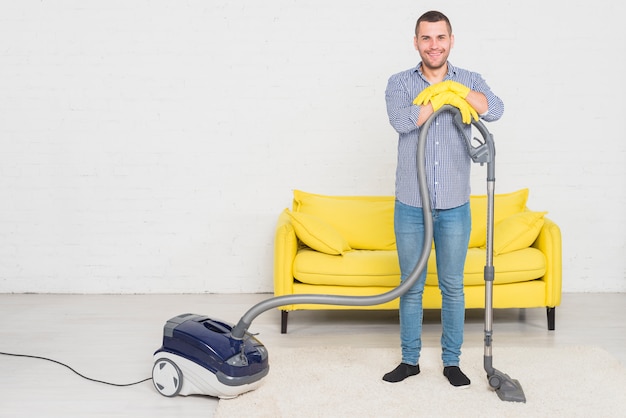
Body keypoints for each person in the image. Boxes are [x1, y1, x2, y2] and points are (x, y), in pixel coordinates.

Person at [383, 10, 504, 388]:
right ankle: (410, 360)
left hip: (454, 205)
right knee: (412, 285)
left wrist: (455, 90)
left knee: (452, 285)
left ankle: (452, 362)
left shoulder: (469, 79)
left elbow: (495, 109)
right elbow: (403, 121)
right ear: (416, 42)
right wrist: (441, 97)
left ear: (451, 40)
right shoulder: (400, 82)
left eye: (440, 37)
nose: (433, 45)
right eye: (426, 38)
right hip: (411, 205)